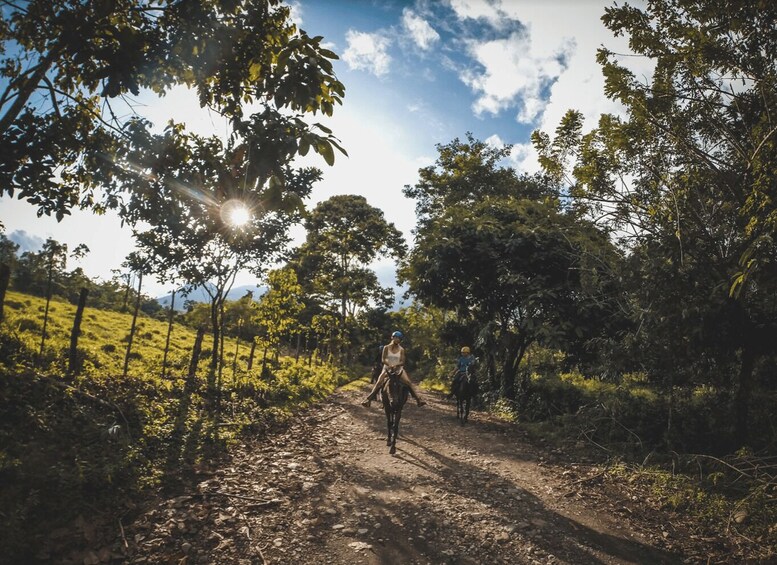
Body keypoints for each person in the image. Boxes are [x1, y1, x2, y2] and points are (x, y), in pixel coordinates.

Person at [361, 330, 426, 407]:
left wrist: (396, 365)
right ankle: (369, 399)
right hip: (387, 368)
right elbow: (383, 359)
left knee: (408, 382)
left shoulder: (401, 349)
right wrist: (389, 364)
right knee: (379, 381)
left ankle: (418, 399)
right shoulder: (386, 348)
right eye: (395, 338)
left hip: (398, 368)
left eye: (399, 338)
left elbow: (402, 361)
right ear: (392, 338)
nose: (397, 340)